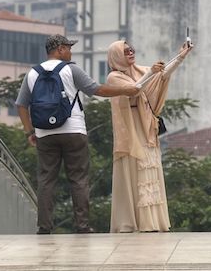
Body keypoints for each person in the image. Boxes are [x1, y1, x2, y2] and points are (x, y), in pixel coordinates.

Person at [16, 34, 140, 234]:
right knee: (79, 178)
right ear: (60, 49)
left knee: (46, 180)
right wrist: (126, 90)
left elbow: (21, 105)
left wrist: (29, 131)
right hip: (73, 131)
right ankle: (82, 225)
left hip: (44, 134)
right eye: (68, 47)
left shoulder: (32, 73)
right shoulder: (70, 69)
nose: (71, 51)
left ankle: (44, 227)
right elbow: (96, 89)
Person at [105, 38, 193, 233]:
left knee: (150, 166)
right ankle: (135, 220)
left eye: (131, 50)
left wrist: (180, 56)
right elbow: (134, 89)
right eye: (126, 51)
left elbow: (162, 76)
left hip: (145, 125)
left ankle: (151, 221)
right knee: (136, 167)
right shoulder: (114, 77)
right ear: (117, 56)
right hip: (131, 127)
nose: (131, 53)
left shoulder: (139, 71)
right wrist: (151, 72)